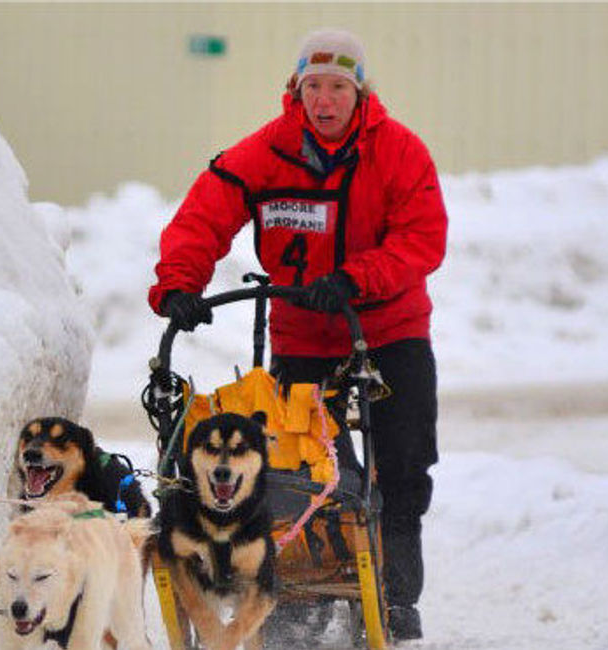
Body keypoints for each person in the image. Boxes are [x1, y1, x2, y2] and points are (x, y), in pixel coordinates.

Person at [146, 28, 445, 642]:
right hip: (303, 333)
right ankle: (299, 593)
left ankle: (394, 596)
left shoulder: (399, 152)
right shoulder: (268, 150)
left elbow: (422, 239)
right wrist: (180, 282)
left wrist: (354, 279)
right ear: (297, 90)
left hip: (387, 327)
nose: (325, 100)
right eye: (314, 87)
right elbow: (206, 212)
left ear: (358, 92)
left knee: (403, 462)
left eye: (338, 87)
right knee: (292, 466)